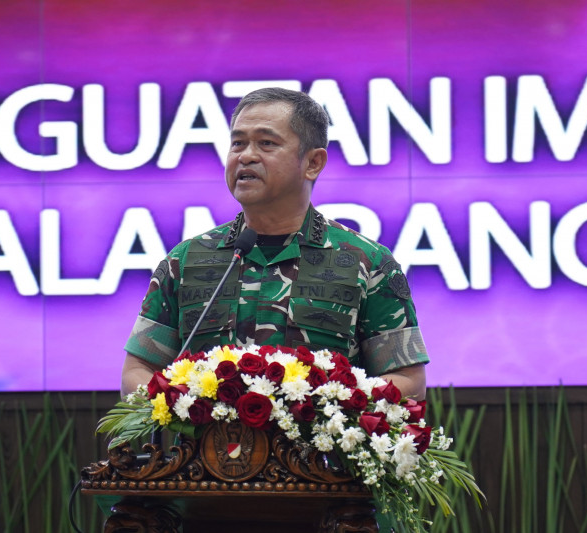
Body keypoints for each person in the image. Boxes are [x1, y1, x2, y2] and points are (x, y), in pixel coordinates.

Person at [121, 88, 428, 399]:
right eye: (238, 143)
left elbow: (408, 381)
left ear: (313, 162)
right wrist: (183, 404)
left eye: (266, 143)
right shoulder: (186, 260)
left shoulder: (367, 262)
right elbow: (137, 371)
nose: (246, 156)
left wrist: (332, 406)